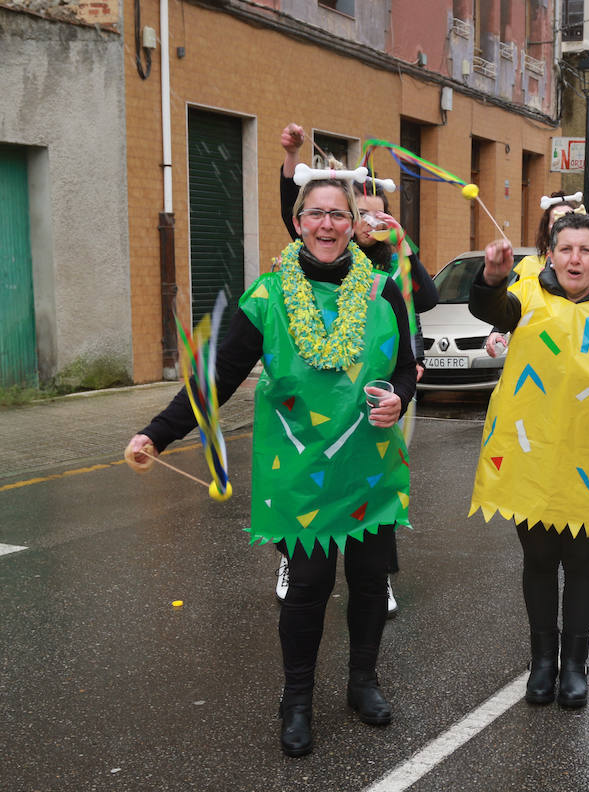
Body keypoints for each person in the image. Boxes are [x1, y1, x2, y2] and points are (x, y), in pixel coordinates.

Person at [126, 166, 418, 756]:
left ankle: (363, 683)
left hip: (368, 459)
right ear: (297, 223)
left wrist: (399, 400)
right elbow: (219, 376)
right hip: (299, 466)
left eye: (340, 214)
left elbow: (406, 366)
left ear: (354, 223)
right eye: (317, 214)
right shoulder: (268, 296)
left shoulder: (383, 288)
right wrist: (158, 432)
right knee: (307, 587)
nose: (329, 224)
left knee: (367, 583)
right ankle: (297, 701)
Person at [469, 212, 589, 709]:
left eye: (585, 250)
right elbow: (488, 305)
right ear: (550, 254)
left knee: (580, 559)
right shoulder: (527, 296)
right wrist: (491, 277)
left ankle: (574, 664)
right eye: (566, 249)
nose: (575, 258)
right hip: (527, 451)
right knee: (537, 558)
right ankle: (543, 662)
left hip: (588, 456)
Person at [278, 123, 440, 617]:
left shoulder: (389, 266)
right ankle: (292, 560)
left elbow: (428, 298)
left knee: (376, 482)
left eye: (376, 216)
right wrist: (291, 159)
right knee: (311, 480)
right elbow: (298, 214)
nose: (368, 224)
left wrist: (404, 245)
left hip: (382, 383)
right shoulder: (320, 259)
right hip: (322, 389)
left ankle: (378, 576)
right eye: (361, 215)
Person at [483, 191, 582, 358]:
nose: (564, 226)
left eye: (569, 219)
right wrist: (497, 332)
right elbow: (513, 306)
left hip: (580, 350)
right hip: (539, 353)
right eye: (557, 220)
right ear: (547, 228)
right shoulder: (530, 265)